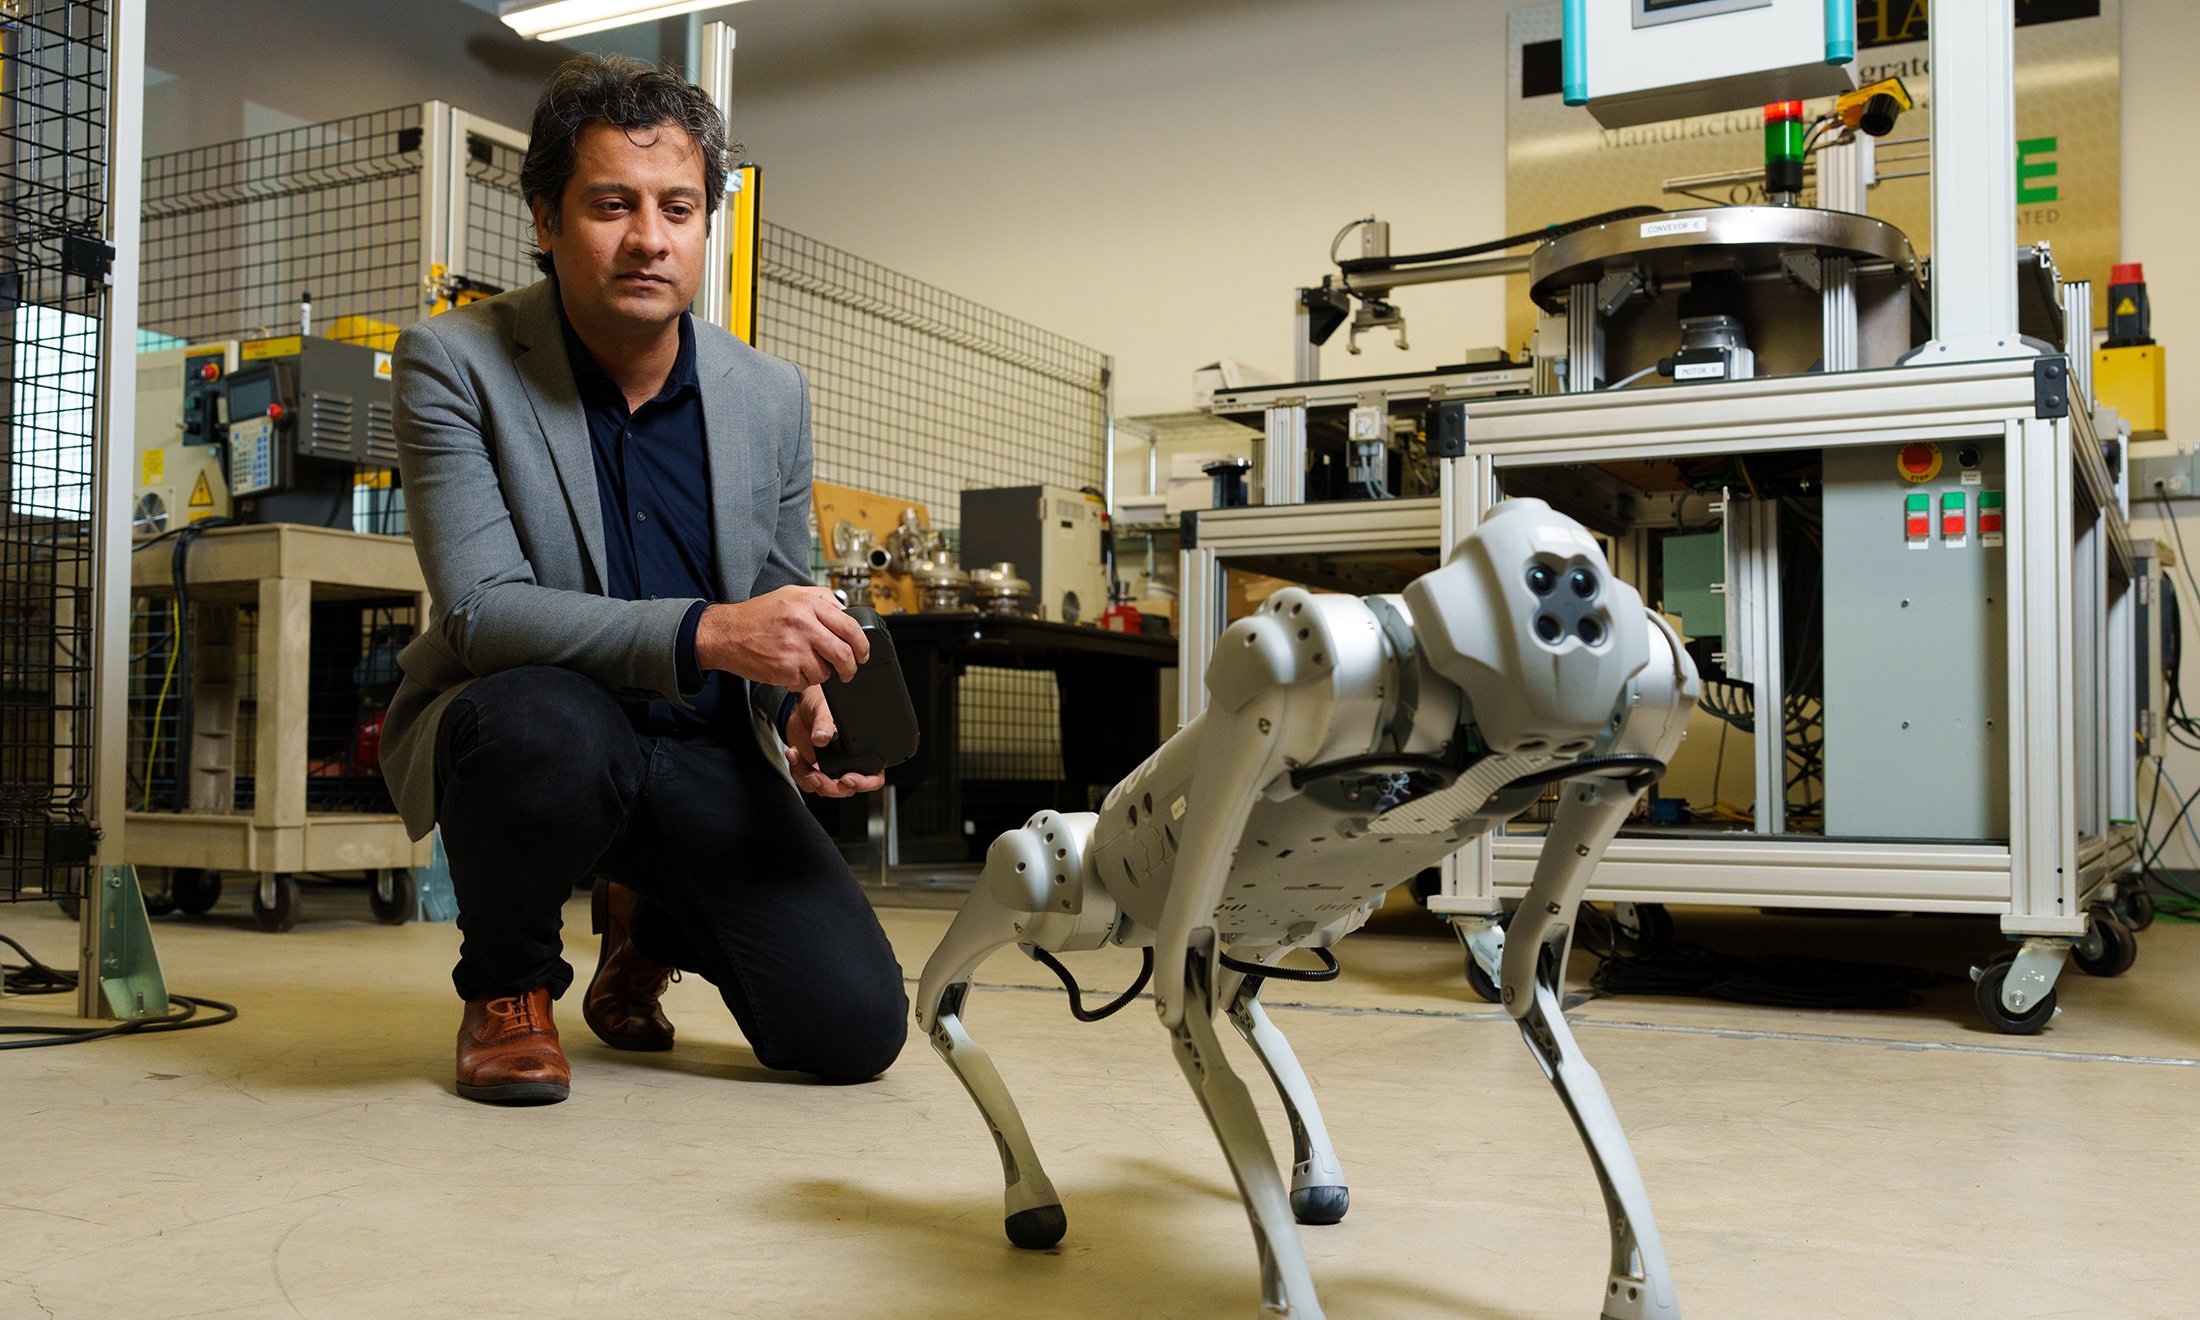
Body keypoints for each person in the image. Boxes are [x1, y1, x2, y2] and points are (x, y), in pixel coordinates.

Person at [379, 54, 907, 1104]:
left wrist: (799, 694)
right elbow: (483, 613)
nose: (648, 239)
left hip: (699, 745)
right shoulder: (456, 362)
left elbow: (769, 591)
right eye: (610, 204)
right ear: (545, 218)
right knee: (544, 728)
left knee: (852, 1030)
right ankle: (510, 988)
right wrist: (711, 636)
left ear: (706, 223)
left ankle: (647, 925)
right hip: (544, 726)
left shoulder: (767, 394)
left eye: (678, 207)